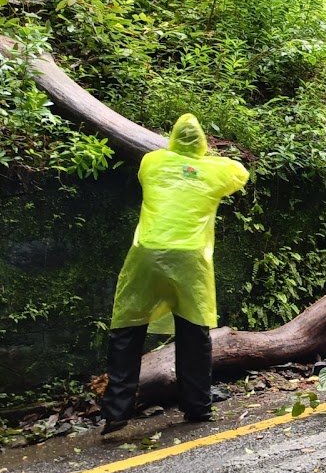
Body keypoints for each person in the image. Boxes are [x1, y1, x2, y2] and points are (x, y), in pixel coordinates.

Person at [103, 114, 250, 435]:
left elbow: (159, 162)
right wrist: (205, 159)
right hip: (190, 260)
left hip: (146, 254)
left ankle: (116, 411)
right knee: (193, 334)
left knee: (128, 329)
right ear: (202, 143)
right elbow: (241, 173)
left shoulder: (152, 162)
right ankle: (197, 407)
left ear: (170, 139)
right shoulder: (216, 171)